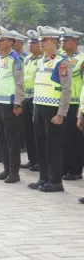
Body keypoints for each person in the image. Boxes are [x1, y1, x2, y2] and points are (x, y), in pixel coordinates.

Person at [28, 26, 72, 193]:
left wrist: (61, 113)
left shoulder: (61, 62)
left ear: (53, 41)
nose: (41, 43)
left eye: (44, 40)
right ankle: (43, 178)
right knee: (41, 145)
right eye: (40, 40)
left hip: (53, 109)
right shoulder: (41, 61)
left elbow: (66, 89)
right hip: (39, 107)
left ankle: (55, 181)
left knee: (53, 147)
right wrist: (34, 111)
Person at [0, 26, 25, 184]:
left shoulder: (15, 59)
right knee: (1, 138)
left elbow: (19, 83)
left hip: (10, 103)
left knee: (12, 139)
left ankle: (14, 171)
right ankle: (6, 168)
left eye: (2, 40)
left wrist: (18, 103)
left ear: (10, 42)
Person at [59, 27, 84, 181]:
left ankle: (75, 169)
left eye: (65, 41)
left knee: (75, 139)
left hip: (76, 103)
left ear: (75, 41)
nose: (62, 43)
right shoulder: (60, 59)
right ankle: (65, 166)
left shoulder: (81, 59)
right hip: (63, 103)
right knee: (63, 138)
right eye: (61, 41)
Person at [21, 30, 42, 172]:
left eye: (34, 43)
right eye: (29, 44)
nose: (31, 46)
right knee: (27, 131)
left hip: (37, 99)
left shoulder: (44, 59)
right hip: (26, 98)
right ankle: (32, 159)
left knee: (37, 132)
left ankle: (40, 161)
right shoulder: (27, 59)